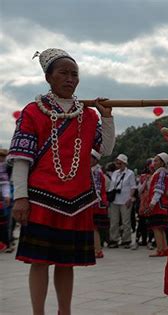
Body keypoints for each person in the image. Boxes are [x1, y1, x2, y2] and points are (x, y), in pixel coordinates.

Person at [8, 48, 115, 315]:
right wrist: (21, 197)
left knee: (67, 263)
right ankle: (38, 312)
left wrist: (108, 116)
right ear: (49, 77)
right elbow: (22, 159)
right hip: (42, 198)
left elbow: (106, 150)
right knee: (40, 261)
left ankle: (64, 311)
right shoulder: (33, 111)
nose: (70, 78)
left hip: (77, 200)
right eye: (63, 73)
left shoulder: (88, 114)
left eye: (74, 74)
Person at [108, 153, 137, 249]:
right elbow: (112, 187)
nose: (118, 165)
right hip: (115, 200)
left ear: (124, 164)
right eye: (117, 163)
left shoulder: (130, 173)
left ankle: (126, 240)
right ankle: (114, 239)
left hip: (125, 200)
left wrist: (130, 197)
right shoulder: (115, 173)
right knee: (114, 221)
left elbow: (133, 186)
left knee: (126, 221)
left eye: (120, 163)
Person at [146, 153, 168, 257]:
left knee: (156, 227)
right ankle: (164, 248)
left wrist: (152, 203)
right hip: (161, 203)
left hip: (158, 204)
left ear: (162, 163)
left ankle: (160, 249)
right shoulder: (161, 173)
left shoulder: (160, 173)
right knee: (160, 228)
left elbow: (159, 189)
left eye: (156, 161)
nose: (153, 163)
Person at [90, 149, 109, 258]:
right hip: (96, 202)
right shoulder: (94, 171)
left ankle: (98, 250)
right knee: (93, 227)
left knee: (94, 227)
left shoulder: (96, 172)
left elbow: (96, 189)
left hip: (96, 203)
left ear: (95, 160)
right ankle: (96, 249)